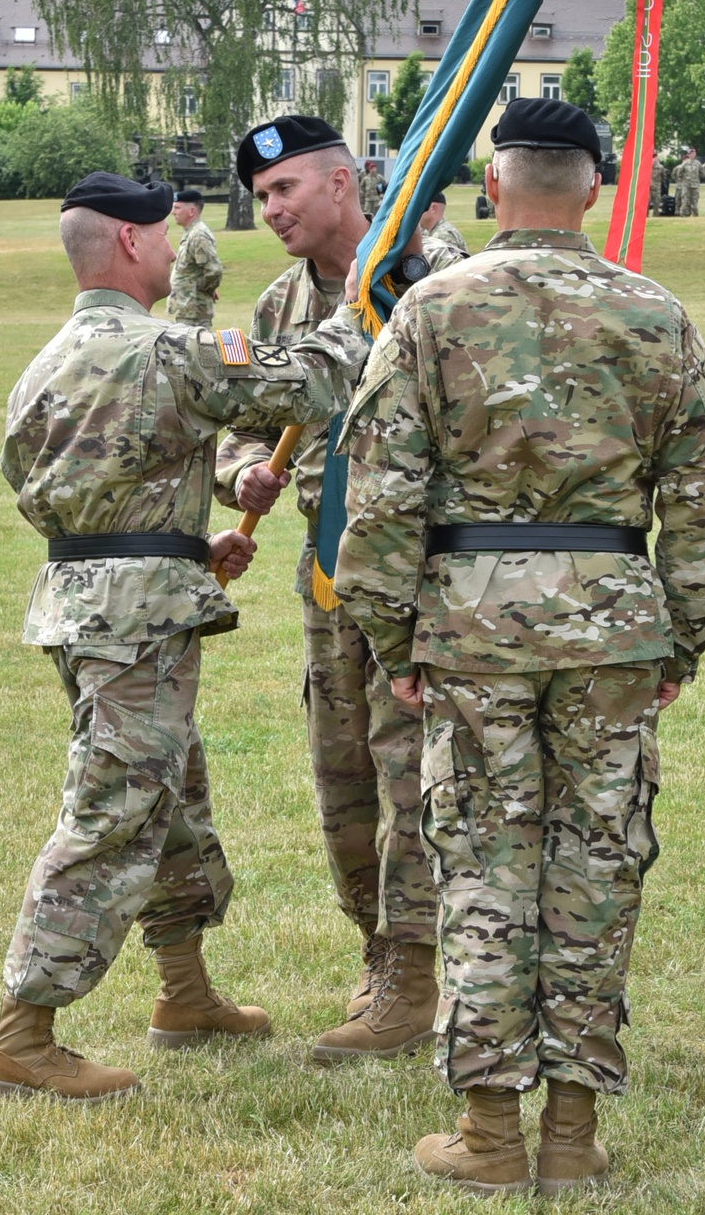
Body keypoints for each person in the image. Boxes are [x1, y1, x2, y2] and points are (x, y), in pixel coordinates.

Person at [334, 98, 705, 1196]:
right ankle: (568, 1130)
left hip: (468, 625)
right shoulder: (656, 316)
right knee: (594, 867)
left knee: (482, 866)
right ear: (593, 187)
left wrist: (390, 635)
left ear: (494, 182)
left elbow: (378, 502)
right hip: (612, 625)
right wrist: (680, 639)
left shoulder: (428, 309)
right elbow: (702, 504)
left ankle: (488, 1130)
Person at [0, 170, 370, 1102]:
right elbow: (315, 380)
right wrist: (358, 301)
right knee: (114, 807)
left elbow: (76, 484)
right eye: (161, 235)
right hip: (139, 615)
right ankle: (22, 1034)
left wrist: (191, 536)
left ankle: (185, 996)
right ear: (128, 244)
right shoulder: (162, 350)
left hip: (85, 601)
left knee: (173, 795)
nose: (171, 246)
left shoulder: (45, 363)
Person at [215, 116, 461, 1064]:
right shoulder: (279, 306)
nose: (269, 210)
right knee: (343, 772)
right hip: (326, 584)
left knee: (415, 777)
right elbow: (238, 425)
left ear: (343, 183)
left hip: (417, 579)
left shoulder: (429, 276)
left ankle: (415, 969)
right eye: (260, 197)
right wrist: (244, 476)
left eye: (283, 191)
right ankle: (377, 947)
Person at [165, 188, 223, 325]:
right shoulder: (191, 233)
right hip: (187, 308)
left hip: (194, 309)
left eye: (177, 208)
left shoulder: (199, 236)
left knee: (194, 346)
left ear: (191, 211)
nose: (173, 212)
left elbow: (213, 271)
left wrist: (204, 290)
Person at [420, 190, 470, 256]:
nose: (416, 212)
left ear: (433, 208)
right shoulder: (435, 231)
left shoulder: (443, 236)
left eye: (420, 207)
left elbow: (449, 264)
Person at [675, 147, 703, 215]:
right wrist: (684, 179)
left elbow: (702, 173)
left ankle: (695, 215)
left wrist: (696, 179)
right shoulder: (685, 163)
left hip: (695, 185)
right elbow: (679, 173)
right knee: (685, 200)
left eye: (694, 153)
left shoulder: (698, 163)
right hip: (686, 185)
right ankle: (683, 215)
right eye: (691, 153)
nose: (693, 155)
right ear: (688, 155)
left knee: (695, 201)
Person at [648, 150, 666, 215]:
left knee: (657, 202)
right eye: (652, 157)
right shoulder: (646, 166)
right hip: (648, 188)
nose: (654, 159)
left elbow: (664, 177)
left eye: (655, 157)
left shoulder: (660, 167)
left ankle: (656, 214)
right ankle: (645, 215)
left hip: (657, 188)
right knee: (647, 202)